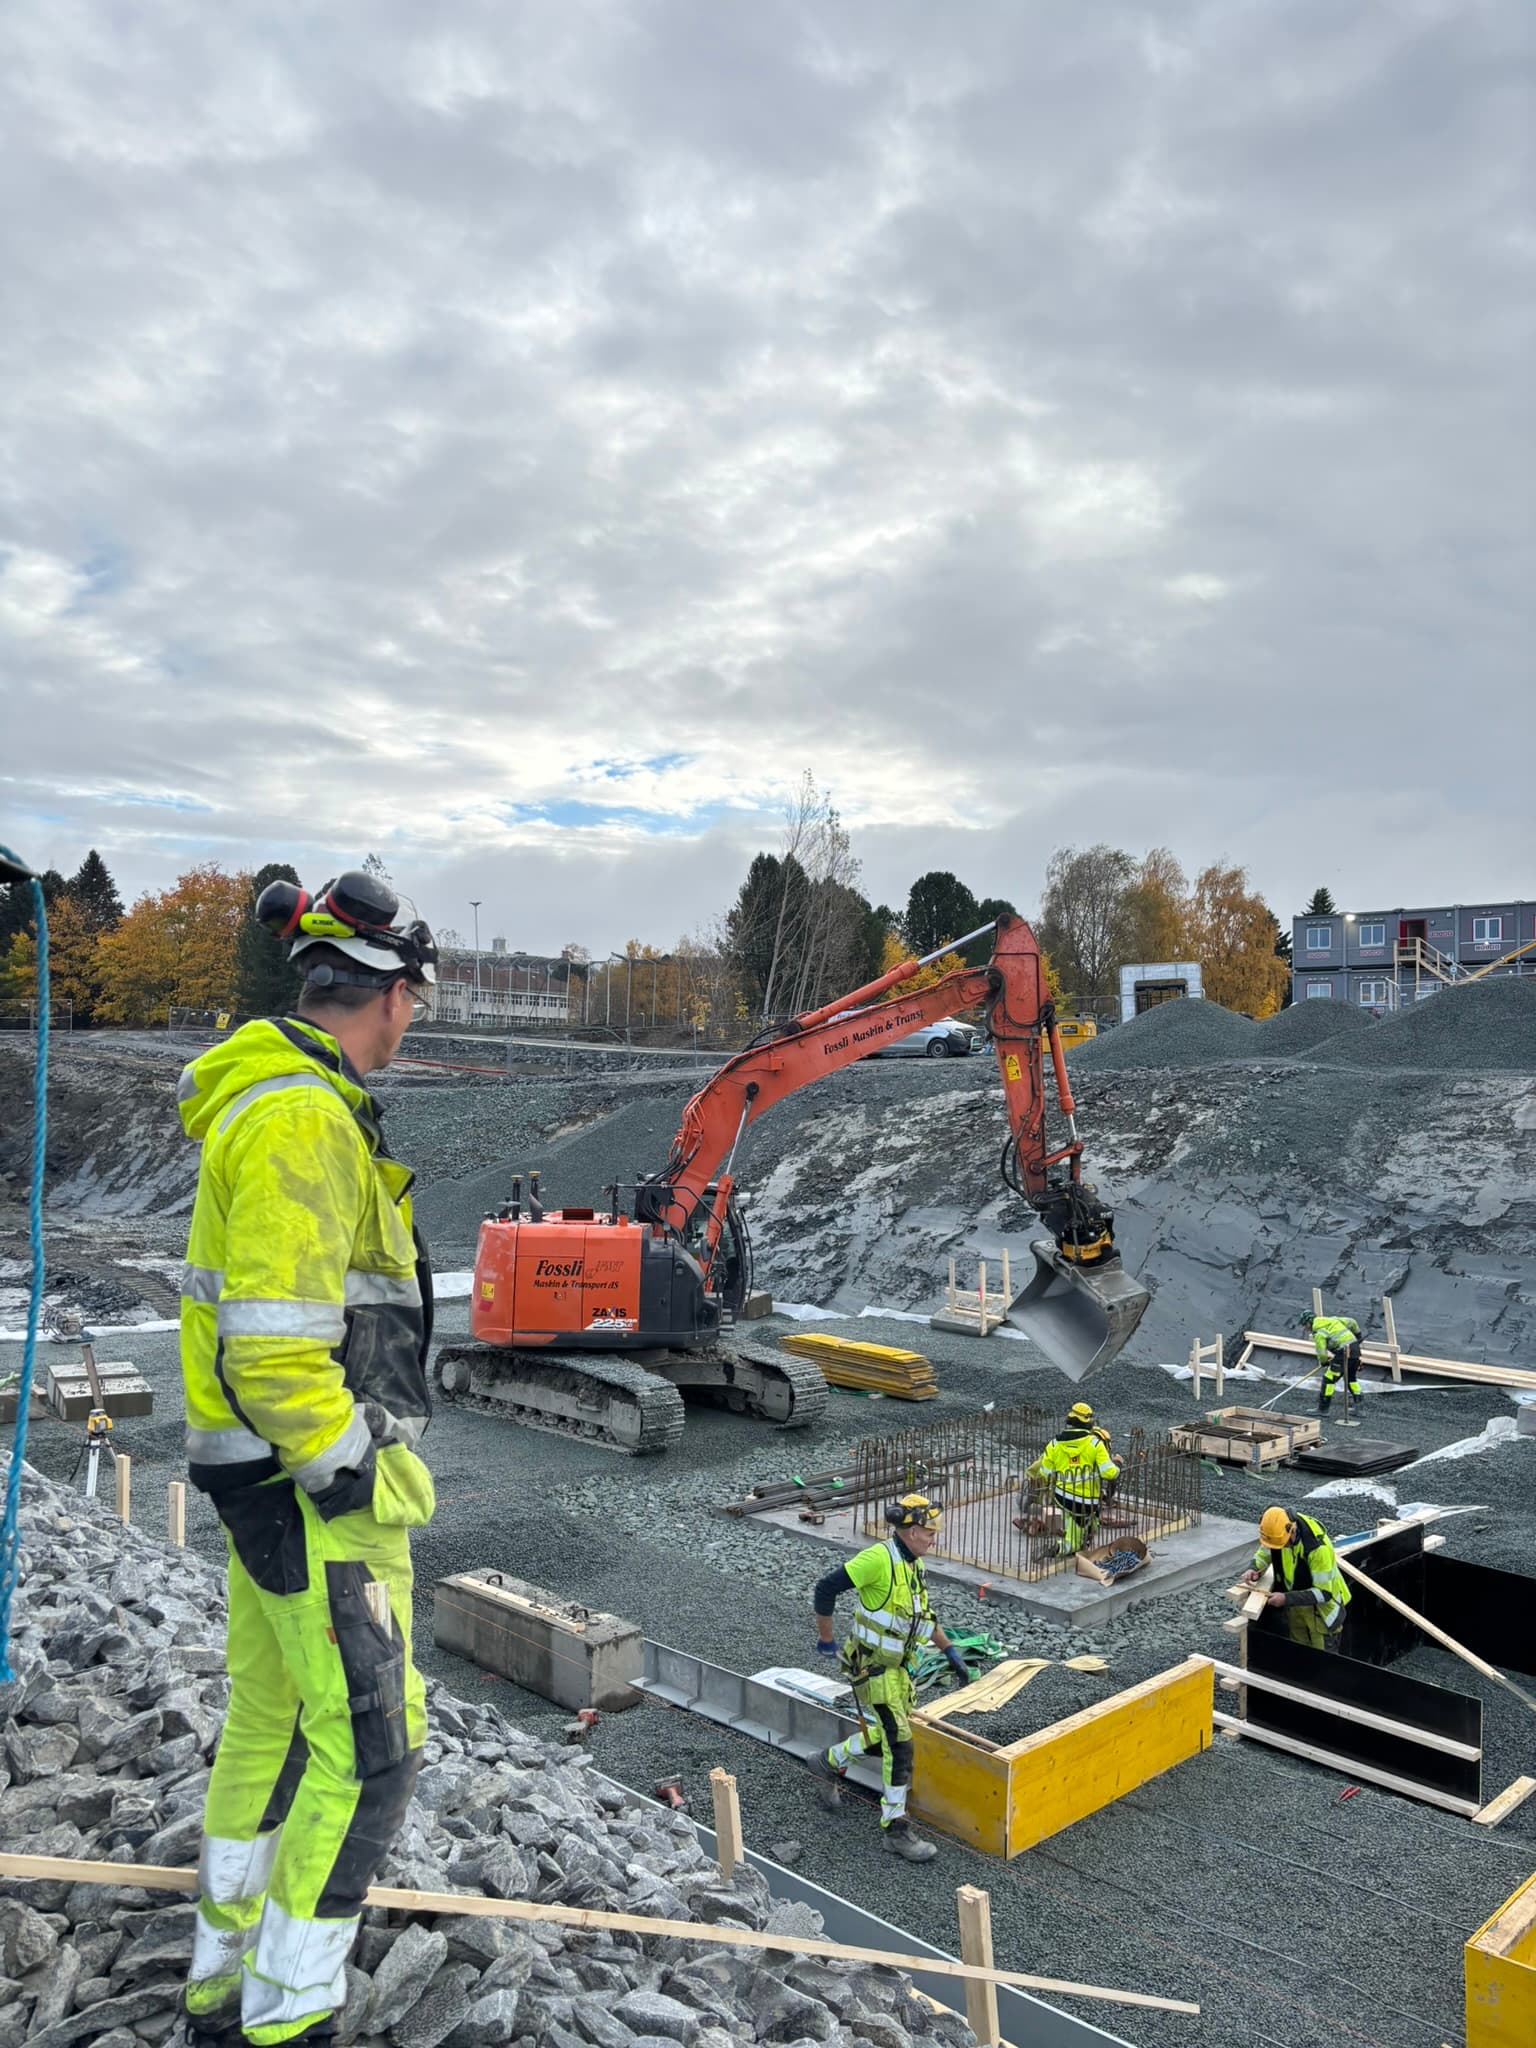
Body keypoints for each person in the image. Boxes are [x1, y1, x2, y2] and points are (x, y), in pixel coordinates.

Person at [177, 870, 440, 2048]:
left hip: (253, 1484)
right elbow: (280, 1353)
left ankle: (218, 1977)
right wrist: (353, 1468)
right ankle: (287, 2018)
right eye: (415, 997)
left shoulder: (272, 1099)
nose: (416, 1017)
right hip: (312, 1492)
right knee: (374, 1752)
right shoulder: (301, 1116)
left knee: (271, 1725)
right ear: (383, 995)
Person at [810, 1494, 970, 1861]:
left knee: (886, 1735)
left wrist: (949, 1652)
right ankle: (895, 1829)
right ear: (913, 1531)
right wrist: (826, 1640)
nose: (934, 1538)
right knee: (900, 1742)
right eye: (930, 1532)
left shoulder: (913, 1565)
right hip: (873, 1669)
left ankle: (827, 1762)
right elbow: (825, 1588)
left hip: (899, 1670)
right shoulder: (878, 1559)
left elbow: (922, 1618)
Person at [1245, 1506, 1352, 1651]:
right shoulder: (1278, 1530)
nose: (1281, 1548)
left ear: (1291, 1531)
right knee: (1299, 1654)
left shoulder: (1317, 1548)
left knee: (1322, 1663)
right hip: (1296, 1604)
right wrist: (1254, 1567)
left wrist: (1285, 1599)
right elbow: (1266, 1550)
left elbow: (1324, 1593)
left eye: (1283, 1544)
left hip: (1322, 1613)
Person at [1027, 1400, 1119, 1554]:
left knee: (1083, 1521)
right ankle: (1060, 1549)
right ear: (1088, 1422)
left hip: (1062, 1498)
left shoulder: (1054, 1444)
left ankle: (1087, 1529)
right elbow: (1109, 1473)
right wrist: (1118, 1467)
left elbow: (1045, 1473)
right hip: (1087, 1500)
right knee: (1074, 1543)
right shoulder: (1095, 1445)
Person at [1300, 1309, 1365, 1414]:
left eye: (1305, 1325)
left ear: (1309, 1322)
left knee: (1328, 1380)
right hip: (1355, 1350)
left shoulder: (1318, 1332)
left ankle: (1323, 1409)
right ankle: (1360, 1410)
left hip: (1343, 1353)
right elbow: (1352, 1322)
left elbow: (1321, 1351)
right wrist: (1358, 1336)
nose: (1305, 1328)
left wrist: (1324, 1362)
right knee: (1351, 1379)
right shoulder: (1332, 1320)